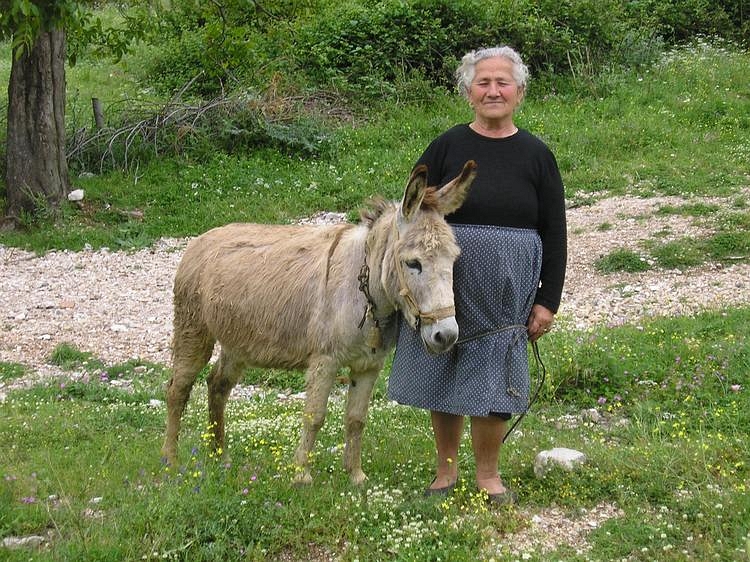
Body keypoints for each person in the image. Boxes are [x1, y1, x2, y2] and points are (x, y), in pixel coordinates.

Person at [387, 46, 567, 505]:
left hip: (509, 289)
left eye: (502, 82)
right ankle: (444, 474)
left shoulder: (537, 155)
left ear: (519, 92)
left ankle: (489, 477)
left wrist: (548, 299)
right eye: (483, 83)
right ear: (468, 93)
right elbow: (409, 220)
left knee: (495, 374)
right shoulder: (447, 146)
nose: (493, 91)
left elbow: (555, 230)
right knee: (442, 369)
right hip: (446, 282)